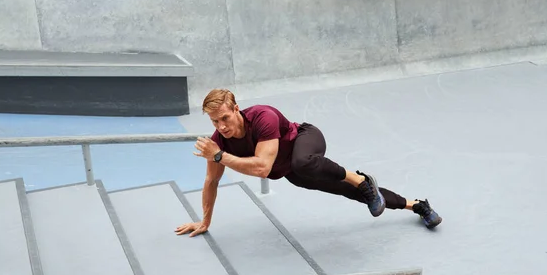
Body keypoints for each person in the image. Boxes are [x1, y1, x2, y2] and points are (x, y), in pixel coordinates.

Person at [175, 89, 442, 238]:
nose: (221, 127)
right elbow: (211, 181)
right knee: (350, 192)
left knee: (302, 162)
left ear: (236, 109)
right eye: (214, 122)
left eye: (224, 118)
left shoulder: (262, 117)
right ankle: (416, 205)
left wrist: (219, 156)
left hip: (305, 140)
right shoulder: (218, 140)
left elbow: (262, 168)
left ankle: (361, 178)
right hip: (293, 171)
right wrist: (205, 221)